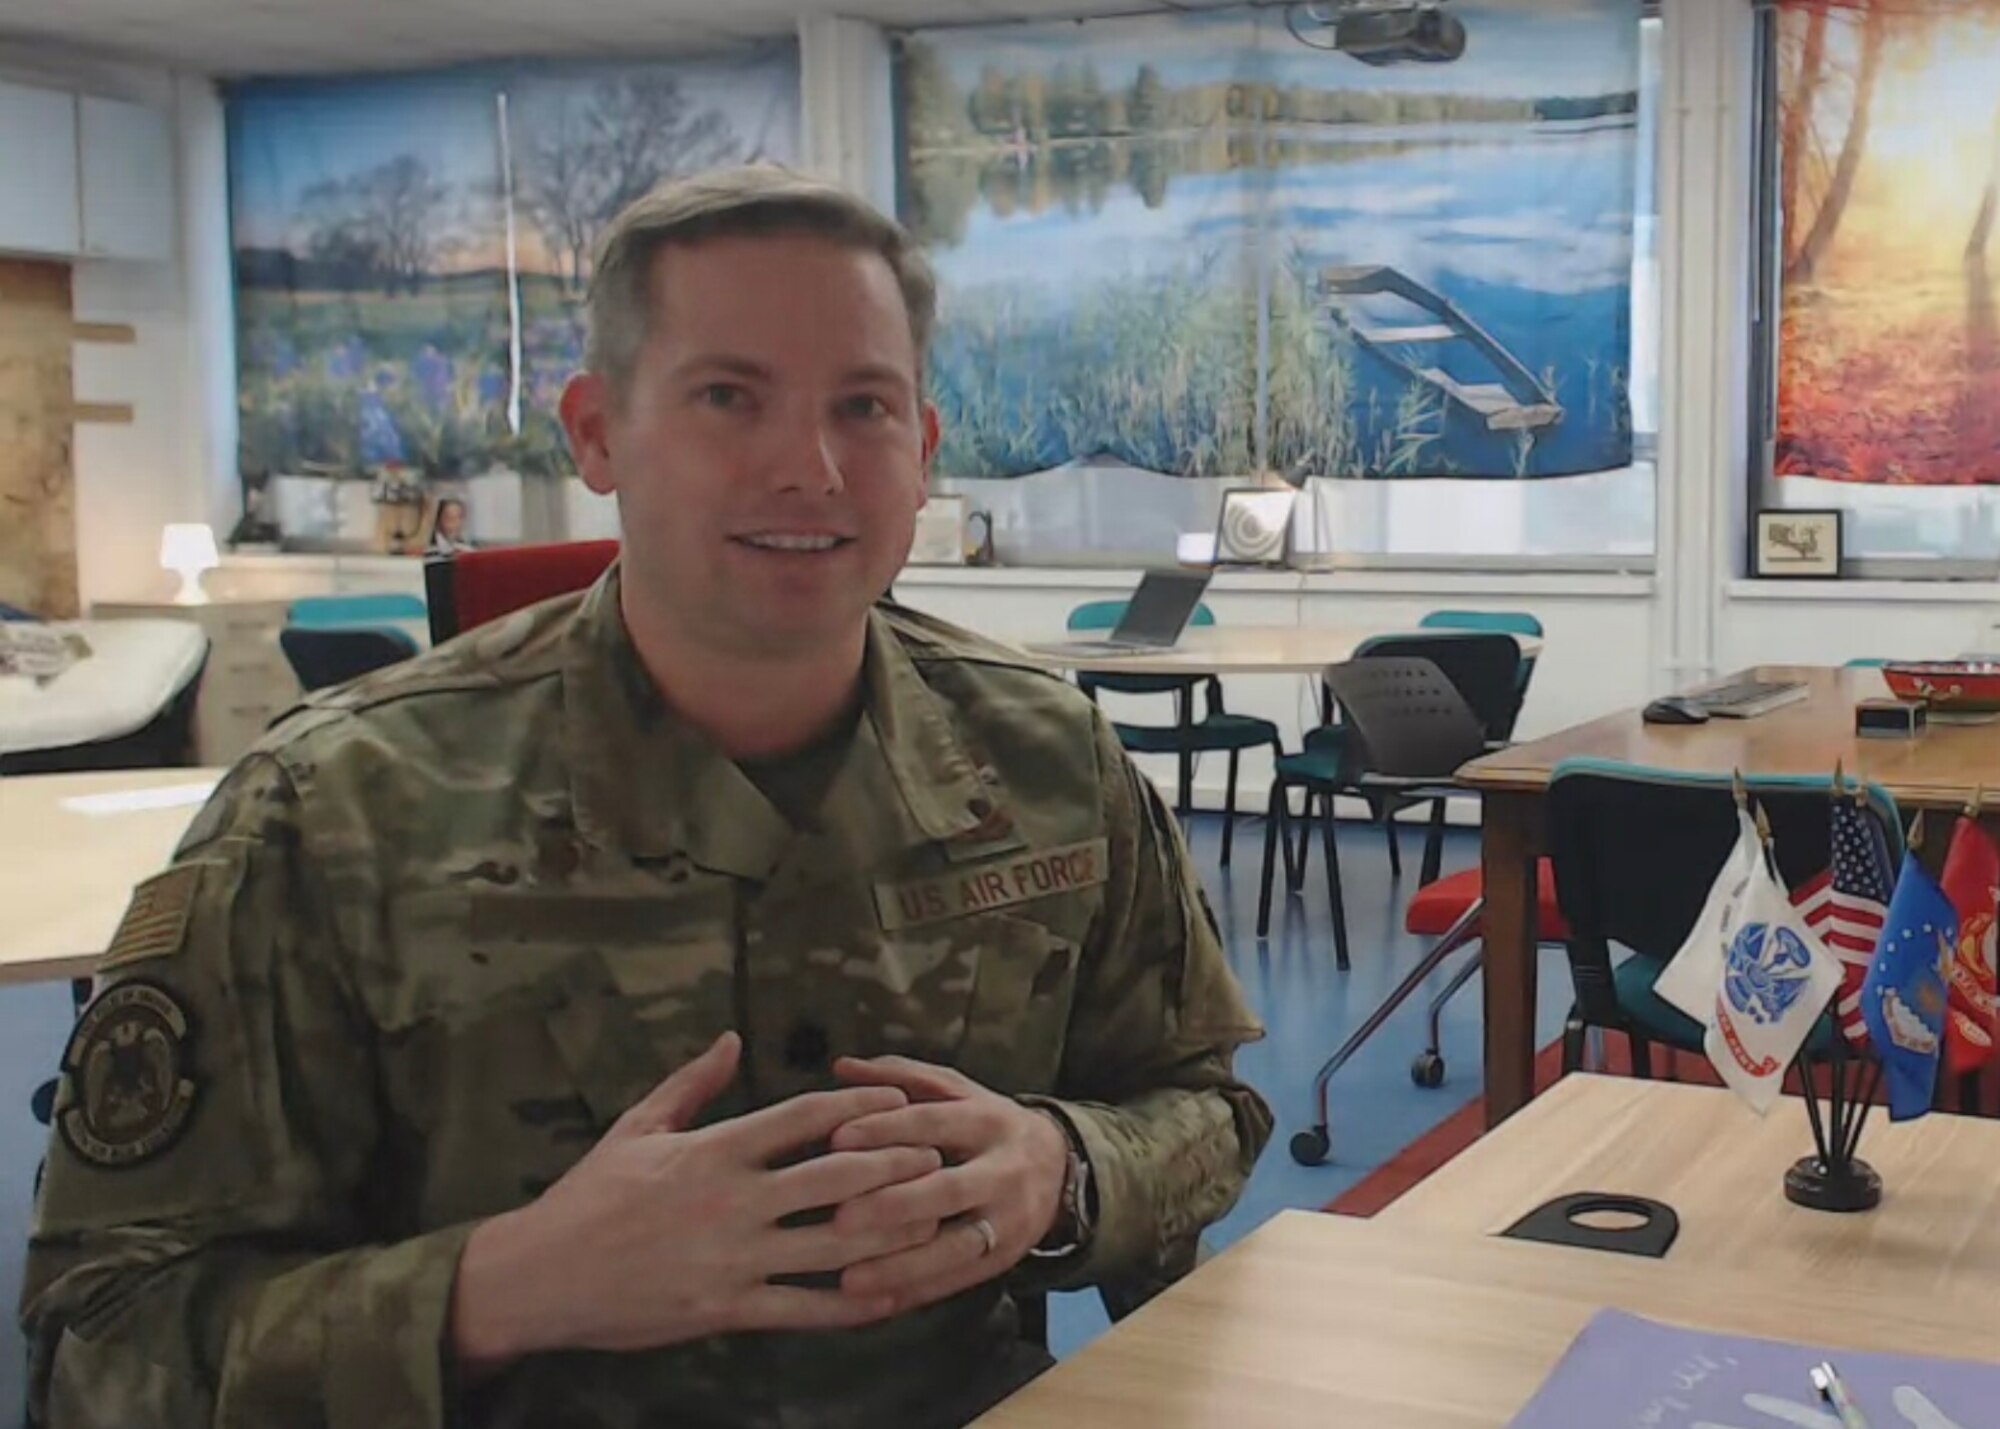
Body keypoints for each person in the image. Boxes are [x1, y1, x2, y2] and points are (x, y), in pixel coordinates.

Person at [19, 165, 1272, 1428]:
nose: (812, 468)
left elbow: (1203, 1106)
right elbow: (103, 1341)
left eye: (864, 406)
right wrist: (499, 1289)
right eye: (730, 397)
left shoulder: (1048, 760)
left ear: (924, 448)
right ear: (598, 433)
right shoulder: (332, 812)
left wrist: (1061, 1174)